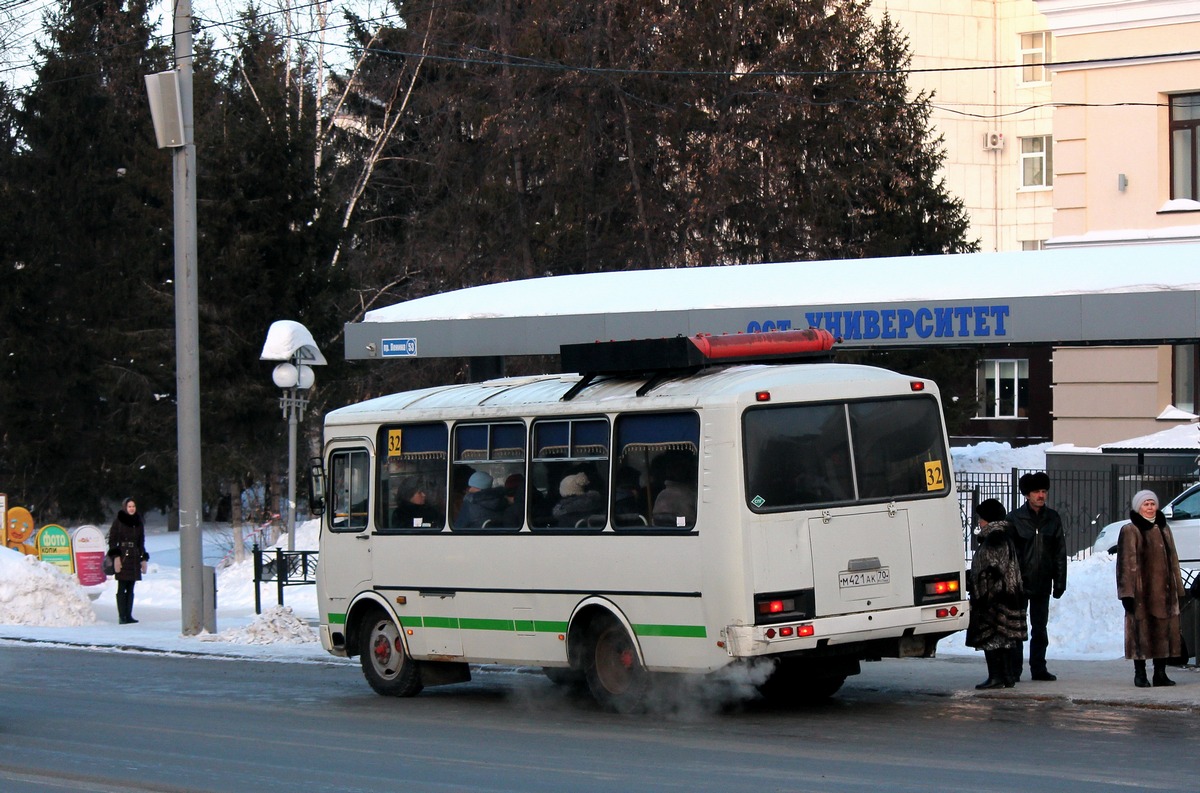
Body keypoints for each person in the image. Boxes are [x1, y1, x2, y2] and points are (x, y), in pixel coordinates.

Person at [1117, 489, 1186, 688]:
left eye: (1152, 504)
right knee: (1141, 631)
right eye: (1145, 504)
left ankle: (1160, 673)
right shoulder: (1131, 530)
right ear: (1138, 507)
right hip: (1142, 592)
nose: (1149, 507)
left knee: (1164, 632)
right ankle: (1140, 674)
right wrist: (1126, 593)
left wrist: (1177, 587)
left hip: (1164, 591)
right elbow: (1125, 564)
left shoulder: (1164, 528)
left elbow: (1173, 559)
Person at [1005, 471, 1067, 681]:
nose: (1041, 495)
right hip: (1019, 583)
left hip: (1042, 583)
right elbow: (1008, 553)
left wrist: (1059, 581)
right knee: (1016, 629)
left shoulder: (1053, 518)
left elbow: (1059, 551)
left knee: (1040, 629)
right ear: (1027, 494)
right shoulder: (1014, 519)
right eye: (1036, 492)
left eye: (1043, 491)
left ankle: (1038, 668)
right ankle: (1014, 670)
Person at [966, 499, 1027, 689]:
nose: (979, 522)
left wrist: (978, 588)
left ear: (989, 520)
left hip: (994, 598)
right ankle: (1007, 677)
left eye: (981, 518)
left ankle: (996, 677)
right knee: (1005, 639)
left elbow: (991, 569)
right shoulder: (1003, 536)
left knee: (992, 638)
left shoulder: (995, 538)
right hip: (1006, 596)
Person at [106, 497, 149, 625]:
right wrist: (116, 556)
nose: (132, 509)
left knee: (131, 586)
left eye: (133, 506)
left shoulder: (138, 521)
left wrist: (143, 557)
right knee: (122, 586)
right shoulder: (119, 520)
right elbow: (112, 540)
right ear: (125, 507)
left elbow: (141, 541)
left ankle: (129, 615)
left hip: (134, 556)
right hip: (123, 555)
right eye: (129, 506)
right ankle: (122, 616)